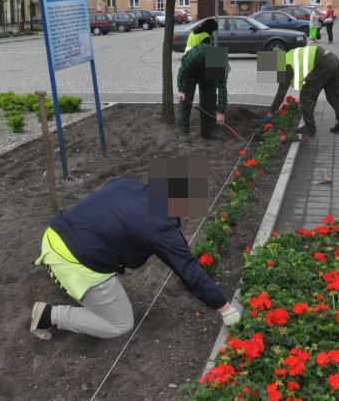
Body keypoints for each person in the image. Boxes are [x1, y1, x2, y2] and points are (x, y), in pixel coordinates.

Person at [30, 178, 240, 340]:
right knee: (120, 325)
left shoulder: (126, 184)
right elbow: (188, 270)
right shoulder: (158, 228)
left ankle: (62, 275)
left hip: (55, 232)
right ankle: (48, 316)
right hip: (75, 262)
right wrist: (225, 308)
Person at [267, 42, 339, 137]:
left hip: (323, 63)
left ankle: (310, 127)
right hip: (332, 57)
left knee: (306, 95)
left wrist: (271, 113)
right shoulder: (287, 55)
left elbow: (281, 92)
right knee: (333, 94)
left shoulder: (286, 66)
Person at [177, 18, 227, 141]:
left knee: (209, 101)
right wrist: (181, 90)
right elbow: (182, 71)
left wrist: (221, 111)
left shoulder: (217, 59)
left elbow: (222, 87)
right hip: (191, 72)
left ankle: (207, 132)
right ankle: (183, 132)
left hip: (207, 75)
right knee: (185, 100)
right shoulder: (196, 55)